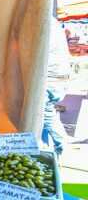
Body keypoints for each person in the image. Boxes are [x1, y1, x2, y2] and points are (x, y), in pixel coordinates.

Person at [42, 20, 71, 154]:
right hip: (58, 79)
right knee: (45, 118)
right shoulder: (52, 22)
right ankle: (45, 149)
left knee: (46, 118)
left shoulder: (43, 22)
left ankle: (61, 149)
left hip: (50, 80)